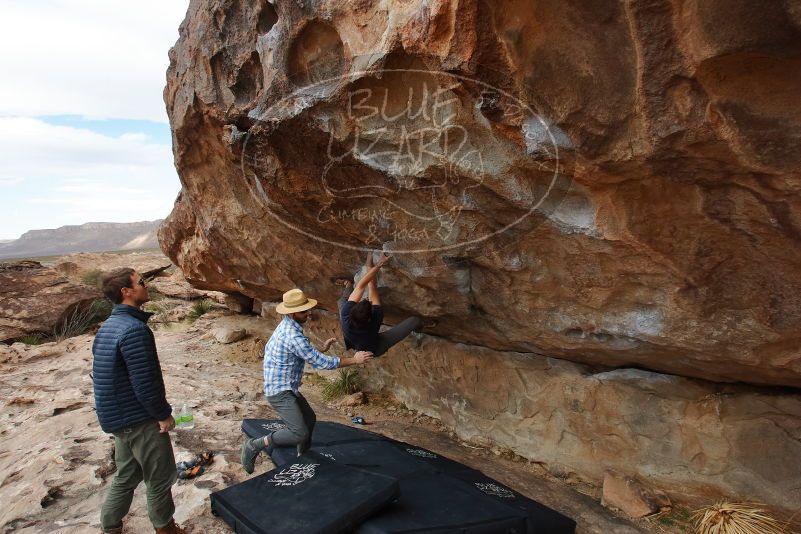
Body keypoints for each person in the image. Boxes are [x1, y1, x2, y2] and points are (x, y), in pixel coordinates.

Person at [92, 268, 185, 534]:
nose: (147, 285)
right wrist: (163, 414)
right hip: (138, 419)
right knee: (159, 477)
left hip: (118, 418)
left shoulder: (108, 327)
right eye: (141, 282)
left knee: (127, 475)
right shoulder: (133, 330)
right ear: (127, 291)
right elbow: (145, 383)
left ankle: (110, 528)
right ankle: (166, 529)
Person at [240, 288, 374, 474]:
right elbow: (321, 363)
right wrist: (355, 360)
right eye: (304, 311)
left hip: (287, 386)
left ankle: (302, 456)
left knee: (309, 419)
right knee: (299, 432)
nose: (309, 313)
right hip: (279, 391)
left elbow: (303, 352)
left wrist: (321, 348)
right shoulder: (292, 335)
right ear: (292, 313)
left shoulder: (289, 326)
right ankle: (254, 444)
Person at [339, 251, 423, 357]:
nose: (367, 299)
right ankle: (419, 328)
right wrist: (378, 264)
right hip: (375, 347)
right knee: (415, 320)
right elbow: (371, 286)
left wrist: (369, 261)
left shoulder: (345, 313)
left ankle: (348, 285)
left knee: (342, 302)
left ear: (352, 311)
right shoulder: (376, 319)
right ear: (370, 318)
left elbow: (360, 286)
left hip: (355, 340)